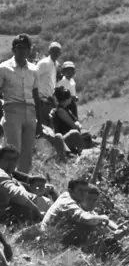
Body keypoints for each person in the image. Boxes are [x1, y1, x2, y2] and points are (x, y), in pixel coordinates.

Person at [0, 34, 45, 173]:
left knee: (27, 154)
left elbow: (36, 95)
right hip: (12, 109)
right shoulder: (4, 68)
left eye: (25, 48)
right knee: (13, 150)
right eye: (19, 47)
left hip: (30, 112)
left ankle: (23, 184)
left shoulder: (34, 69)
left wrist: (40, 122)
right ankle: (6, 183)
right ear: (13, 49)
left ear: (29, 50)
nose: (22, 51)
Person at [40, 179, 114, 249]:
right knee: (90, 227)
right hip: (48, 239)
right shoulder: (67, 202)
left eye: (85, 191)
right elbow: (84, 218)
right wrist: (103, 217)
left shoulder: (68, 198)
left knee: (92, 224)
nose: (83, 193)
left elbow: (90, 216)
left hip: (51, 235)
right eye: (80, 190)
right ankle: (93, 257)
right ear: (70, 191)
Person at [0, 145, 43, 227]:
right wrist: (35, 209)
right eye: (8, 159)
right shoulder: (1, 174)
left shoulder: (9, 175)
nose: (12, 162)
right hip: (7, 216)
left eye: (15, 159)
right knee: (23, 208)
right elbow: (15, 193)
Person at [49, 86, 89, 154]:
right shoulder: (61, 111)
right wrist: (78, 125)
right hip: (63, 140)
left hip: (67, 137)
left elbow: (76, 123)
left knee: (86, 134)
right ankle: (83, 153)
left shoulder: (66, 109)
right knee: (75, 133)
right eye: (69, 97)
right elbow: (74, 126)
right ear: (66, 99)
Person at [35, 42, 62, 126]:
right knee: (42, 125)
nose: (56, 53)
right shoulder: (44, 63)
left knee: (50, 125)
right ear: (49, 51)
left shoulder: (55, 65)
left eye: (58, 51)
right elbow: (34, 77)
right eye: (54, 51)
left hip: (49, 100)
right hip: (41, 100)